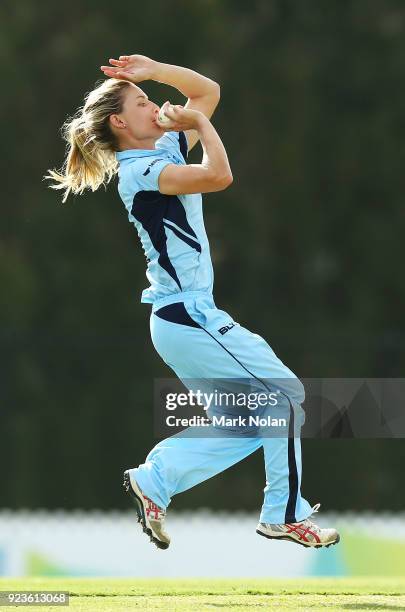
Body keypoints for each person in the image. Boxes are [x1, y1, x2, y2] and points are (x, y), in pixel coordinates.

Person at [46, 54, 339, 550]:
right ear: (121, 122)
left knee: (253, 422)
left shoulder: (161, 147)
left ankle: (155, 480)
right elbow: (218, 176)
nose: (155, 105)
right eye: (142, 102)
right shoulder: (143, 170)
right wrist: (198, 122)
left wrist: (154, 70)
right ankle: (284, 514)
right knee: (285, 398)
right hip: (187, 313)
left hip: (181, 317)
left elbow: (209, 92)